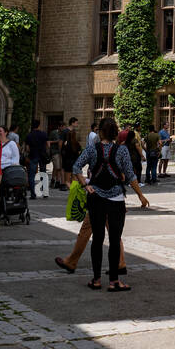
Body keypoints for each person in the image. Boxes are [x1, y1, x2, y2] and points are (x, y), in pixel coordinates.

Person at [70, 117, 148, 291]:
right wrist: (141, 196)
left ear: (100, 132)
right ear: (115, 133)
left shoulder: (91, 149)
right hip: (116, 199)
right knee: (114, 240)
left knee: (97, 240)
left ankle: (96, 279)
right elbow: (130, 176)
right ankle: (114, 281)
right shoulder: (122, 151)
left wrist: (85, 184)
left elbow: (76, 167)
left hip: (96, 197)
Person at [25, 118, 49, 194]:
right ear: (39, 125)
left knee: (31, 174)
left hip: (33, 155)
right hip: (42, 155)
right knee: (43, 173)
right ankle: (45, 192)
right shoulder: (43, 134)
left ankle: (33, 193)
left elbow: (27, 148)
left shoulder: (29, 135)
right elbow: (48, 145)